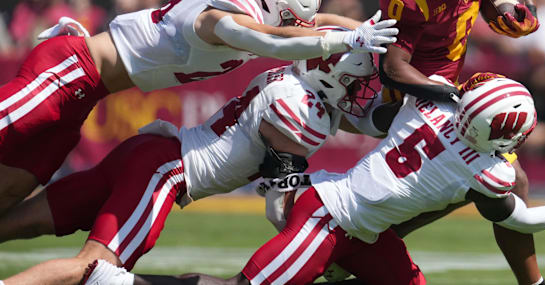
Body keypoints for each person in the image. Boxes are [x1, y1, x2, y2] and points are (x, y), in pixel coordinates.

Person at [81, 75, 545, 285]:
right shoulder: (486, 170)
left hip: (359, 228)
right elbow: (526, 217)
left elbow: (390, 100)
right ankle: (125, 284)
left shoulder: (431, 102)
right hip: (326, 219)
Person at [0, 0, 398, 218]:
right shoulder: (227, 3)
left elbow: (312, 25)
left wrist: (369, 31)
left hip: (85, 93)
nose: (297, 28)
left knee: (13, 187)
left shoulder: (248, 8)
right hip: (72, 67)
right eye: (292, 17)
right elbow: (265, 38)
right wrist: (345, 40)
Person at [0, 48, 379, 285]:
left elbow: (346, 110)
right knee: (93, 273)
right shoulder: (299, 113)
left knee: (22, 222)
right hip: (165, 172)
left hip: (149, 149)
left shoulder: (291, 79)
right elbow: (278, 208)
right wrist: (323, 256)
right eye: (353, 83)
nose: (359, 92)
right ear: (329, 77)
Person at [372, 0, 542, 284]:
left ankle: (358, 245)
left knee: (491, 184)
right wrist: (456, 97)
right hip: (418, 94)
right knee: (506, 182)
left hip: (450, 85)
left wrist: (525, 7)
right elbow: (394, 69)